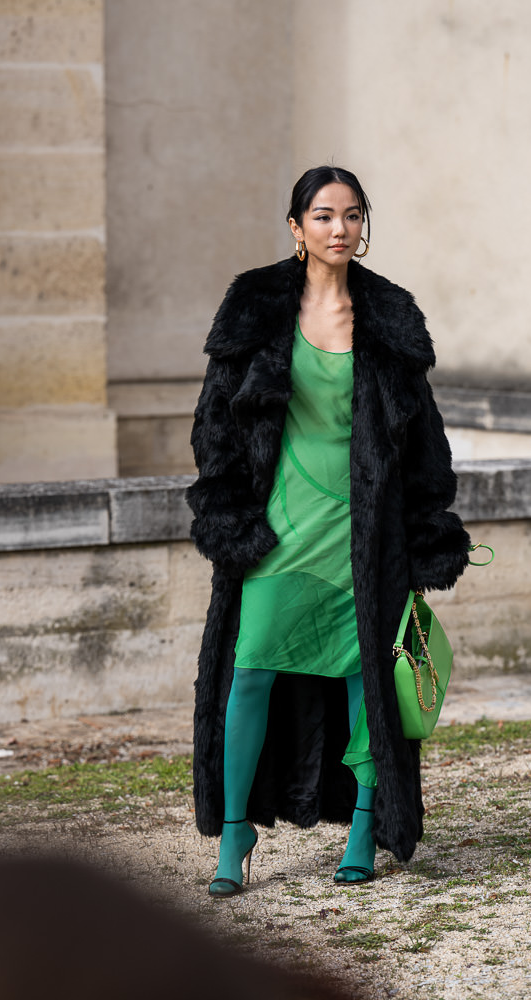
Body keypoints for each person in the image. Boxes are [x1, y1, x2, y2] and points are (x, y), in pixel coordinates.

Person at [186, 165, 470, 898]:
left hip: (365, 539)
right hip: (278, 534)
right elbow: (216, 428)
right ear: (296, 227)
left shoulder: (391, 320)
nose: (338, 228)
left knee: (365, 684)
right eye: (321, 215)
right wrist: (228, 516)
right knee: (248, 676)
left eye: (350, 215)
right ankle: (236, 831)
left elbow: (425, 446)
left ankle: (364, 827)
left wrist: (430, 532)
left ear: (362, 226)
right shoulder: (254, 309)